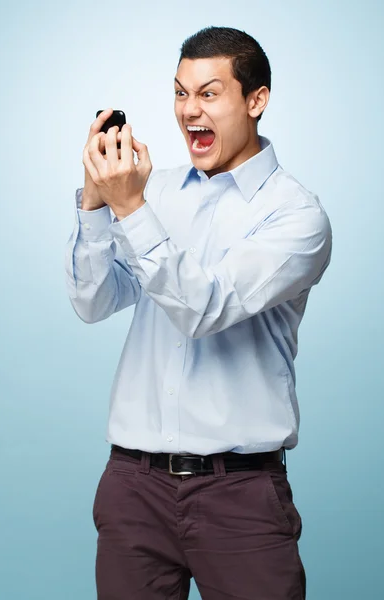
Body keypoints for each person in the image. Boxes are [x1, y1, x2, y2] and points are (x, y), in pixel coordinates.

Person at [65, 25, 332, 600]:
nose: (190, 111)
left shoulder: (296, 217)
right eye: (181, 93)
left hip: (238, 497)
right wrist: (94, 203)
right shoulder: (154, 193)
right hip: (132, 488)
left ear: (256, 100)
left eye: (209, 93)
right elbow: (93, 300)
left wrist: (129, 208)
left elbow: (204, 308)